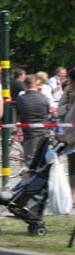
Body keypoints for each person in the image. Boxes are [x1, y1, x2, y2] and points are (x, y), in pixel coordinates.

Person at [15, 74, 50, 165]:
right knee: (42, 162)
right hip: (44, 134)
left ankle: (32, 178)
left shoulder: (20, 99)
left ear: (25, 85)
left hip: (30, 135)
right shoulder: (43, 98)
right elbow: (47, 113)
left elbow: (17, 116)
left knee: (30, 162)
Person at [56, 68, 75, 206]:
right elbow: (59, 109)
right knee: (72, 170)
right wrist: (67, 107)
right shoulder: (68, 91)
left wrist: (66, 138)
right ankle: (72, 196)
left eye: (69, 80)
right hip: (70, 138)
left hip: (70, 137)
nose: (67, 82)